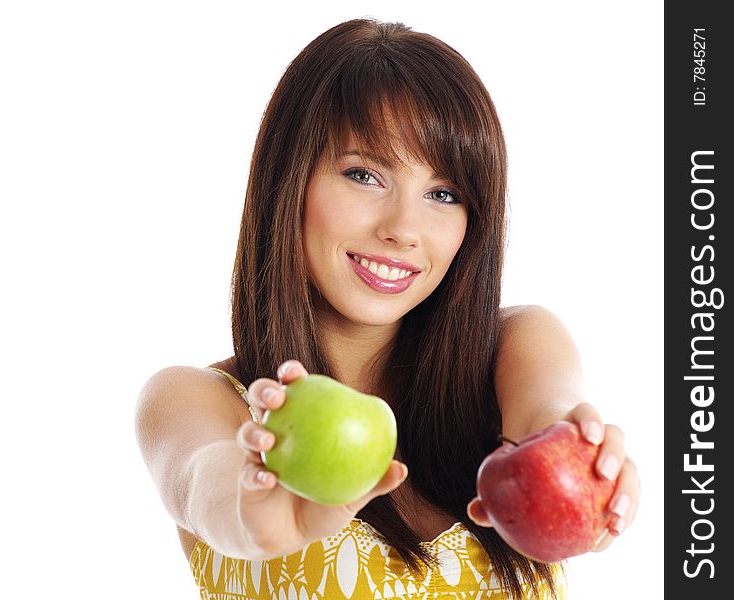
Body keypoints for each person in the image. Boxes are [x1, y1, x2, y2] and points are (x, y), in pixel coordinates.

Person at [135, 18, 640, 599]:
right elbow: (206, 483)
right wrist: (255, 515)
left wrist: (585, 466)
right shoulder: (193, 401)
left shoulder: (513, 349)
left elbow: (549, 411)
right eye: (364, 175)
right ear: (288, 180)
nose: (404, 229)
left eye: (443, 194)